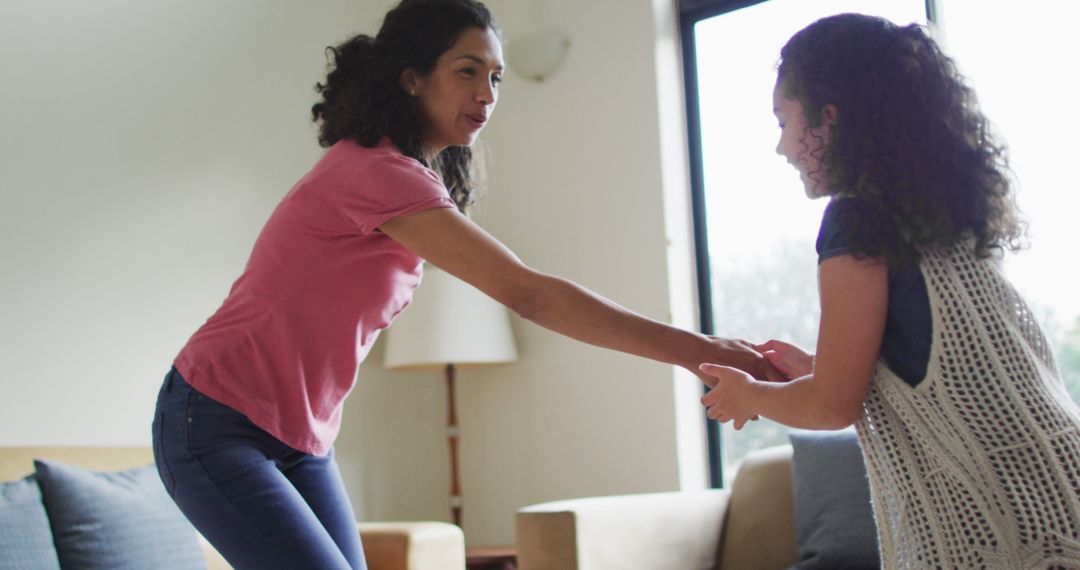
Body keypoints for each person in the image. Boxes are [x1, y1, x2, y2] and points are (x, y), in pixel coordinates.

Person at [151, 0, 766, 567]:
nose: (487, 93)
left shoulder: (401, 176)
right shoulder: (377, 172)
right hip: (214, 420)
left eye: (496, 77)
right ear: (411, 76)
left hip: (300, 438)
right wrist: (701, 350)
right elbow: (526, 292)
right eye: (468, 71)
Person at [697, 12, 1080, 569]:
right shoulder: (938, 217)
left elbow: (832, 406)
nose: (781, 147)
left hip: (1012, 530)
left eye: (783, 120)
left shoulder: (856, 219)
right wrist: (818, 367)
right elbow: (932, 371)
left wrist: (748, 395)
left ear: (827, 119)